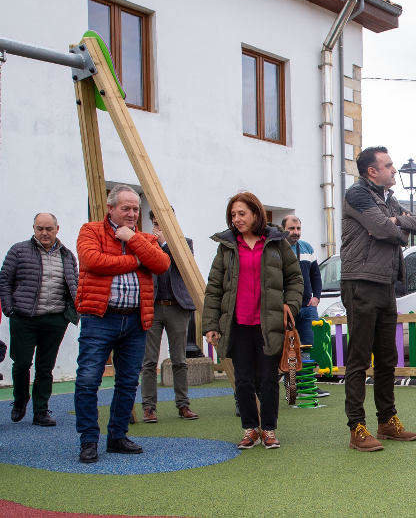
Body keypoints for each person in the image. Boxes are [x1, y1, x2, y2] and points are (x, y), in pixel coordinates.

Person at [74, 186, 171, 463]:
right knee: (88, 379)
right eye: (125, 208)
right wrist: (135, 260)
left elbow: (161, 264)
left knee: (128, 382)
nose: (131, 213)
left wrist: (133, 240)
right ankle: (89, 440)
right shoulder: (90, 230)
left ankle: (117, 436)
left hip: (135, 320)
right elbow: (92, 261)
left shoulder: (143, 237)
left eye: (135, 209)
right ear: (111, 208)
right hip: (100, 318)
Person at [340, 146, 416, 451]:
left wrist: (395, 223)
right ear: (371, 171)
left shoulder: (388, 199)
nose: (394, 170)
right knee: (359, 358)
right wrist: (394, 224)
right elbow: (378, 228)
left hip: (386, 284)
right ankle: (357, 427)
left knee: (387, 357)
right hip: (360, 283)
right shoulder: (357, 195)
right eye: (388, 165)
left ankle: (387, 421)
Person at [203, 192, 303, 450]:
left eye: (242, 214)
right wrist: (211, 324)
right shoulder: (226, 246)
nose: (236, 219)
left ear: (256, 213)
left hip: (268, 323)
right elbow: (214, 288)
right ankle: (250, 429)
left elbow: (295, 279)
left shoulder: (276, 242)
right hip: (237, 324)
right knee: (244, 380)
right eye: (233, 215)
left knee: (268, 379)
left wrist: (290, 306)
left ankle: (268, 429)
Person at [0, 213, 79, 427]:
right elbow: (4, 281)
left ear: (57, 229)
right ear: (34, 228)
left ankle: (41, 411)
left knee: (46, 367)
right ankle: (19, 400)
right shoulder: (18, 251)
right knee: (22, 363)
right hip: (24, 318)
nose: (44, 233)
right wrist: (9, 309)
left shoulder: (68, 256)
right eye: (40, 228)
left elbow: (75, 285)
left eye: (48, 229)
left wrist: (70, 314)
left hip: (55, 320)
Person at [139, 209, 199, 423]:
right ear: (152, 222)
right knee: (149, 361)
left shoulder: (185, 242)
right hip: (152, 306)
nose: (159, 224)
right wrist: (155, 244)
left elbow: (184, 266)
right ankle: (149, 407)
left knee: (179, 360)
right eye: (156, 221)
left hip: (177, 306)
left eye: (163, 220)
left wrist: (165, 244)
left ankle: (183, 405)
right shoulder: (145, 241)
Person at [280, 215, 328, 398]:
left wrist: (317, 297)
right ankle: (292, 387)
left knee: (308, 347)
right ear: (283, 228)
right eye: (292, 229)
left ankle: (308, 386)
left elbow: (316, 275)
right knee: (290, 348)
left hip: (308, 307)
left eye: (298, 228)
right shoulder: (276, 248)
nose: (295, 232)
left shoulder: (307, 248)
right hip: (287, 309)